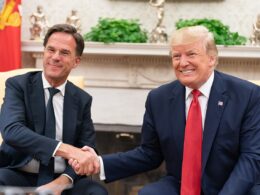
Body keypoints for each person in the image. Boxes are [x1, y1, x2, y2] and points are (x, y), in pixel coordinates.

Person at [69, 25, 260, 195]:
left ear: (212, 59)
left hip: (233, 185)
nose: (182, 63)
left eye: (191, 54)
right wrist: (99, 163)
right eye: (176, 56)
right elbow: (149, 154)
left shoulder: (247, 95)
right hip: (180, 185)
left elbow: (251, 157)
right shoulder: (158, 98)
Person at [0, 24, 107, 195]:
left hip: (62, 178)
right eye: (51, 50)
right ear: (44, 52)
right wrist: (69, 150)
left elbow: (88, 148)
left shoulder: (82, 99)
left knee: (96, 191)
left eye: (64, 53)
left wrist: (62, 182)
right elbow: (12, 131)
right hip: (18, 172)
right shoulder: (18, 85)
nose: (55, 57)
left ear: (76, 61)